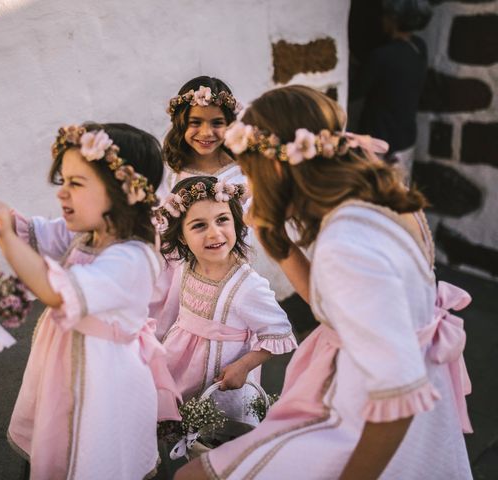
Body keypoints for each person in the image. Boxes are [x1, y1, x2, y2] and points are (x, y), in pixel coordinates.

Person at [176, 85, 473, 479]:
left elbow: (399, 392)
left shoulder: (344, 244)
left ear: (277, 168)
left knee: (192, 475)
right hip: (406, 396)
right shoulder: (380, 200)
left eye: (250, 172)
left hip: (357, 412)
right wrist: (273, 237)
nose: (249, 187)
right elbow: (331, 308)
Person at [0, 123, 180, 480]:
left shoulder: (133, 258)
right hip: (66, 364)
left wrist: (3, 236)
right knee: (61, 433)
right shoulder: (88, 232)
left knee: (95, 448)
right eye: (61, 181)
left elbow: (53, 289)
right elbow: (39, 235)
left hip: (104, 376)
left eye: (76, 184)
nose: (62, 194)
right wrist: (0, 217)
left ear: (124, 191)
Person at [150, 76, 311, 340]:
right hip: (184, 263)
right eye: (195, 123)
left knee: (225, 326)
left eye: (217, 123)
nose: (206, 133)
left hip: (229, 259)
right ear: (181, 124)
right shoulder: (176, 168)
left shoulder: (243, 169)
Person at [155, 175, 297, 424]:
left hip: (220, 380)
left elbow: (280, 332)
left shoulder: (247, 285)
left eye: (222, 220)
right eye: (199, 225)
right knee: (174, 424)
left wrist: (243, 366)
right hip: (178, 363)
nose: (215, 233)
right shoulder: (187, 266)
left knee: (216, 435)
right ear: (181, 236)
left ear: (236, 222)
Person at [351, 0, 433, 183]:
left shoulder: (382, 56)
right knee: (398, 196)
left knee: (374, 194)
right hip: (405, 137)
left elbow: (356, 90)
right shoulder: (419, 48)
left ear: (393, 19)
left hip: (379, 139)